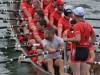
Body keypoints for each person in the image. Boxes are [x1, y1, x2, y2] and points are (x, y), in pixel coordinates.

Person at [63, 7, 96, 75]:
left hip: (77, 50)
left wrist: (67, 39)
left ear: (75, 15)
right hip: (85, 50)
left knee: (76, 72)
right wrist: (88, 46)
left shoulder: (76, 25)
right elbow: (94, 37)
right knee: (83, 72)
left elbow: (77, 39)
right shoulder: (88, 25)